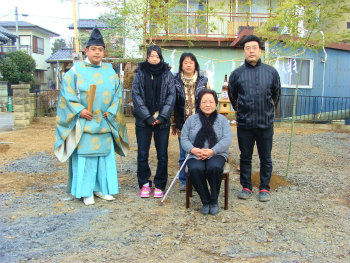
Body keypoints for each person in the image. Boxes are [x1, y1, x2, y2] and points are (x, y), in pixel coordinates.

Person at [54, 27, 129, 205]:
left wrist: (111, 111)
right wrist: (79, 110)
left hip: (104, 121)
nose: (97, 52)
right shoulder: (75, 71)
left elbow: (117, 95)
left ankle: (103, 189)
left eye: (100, 49)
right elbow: (67, 95)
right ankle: (85, 191)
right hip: (84, 122)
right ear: (86, 51)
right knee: (85, 157)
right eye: (94, 49)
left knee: (104, 158)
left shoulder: (110, 71)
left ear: (104, 52)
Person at [228, 34, 281, 202]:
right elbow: (232, 96)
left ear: (260, 50)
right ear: (244, 52)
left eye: (254, 48)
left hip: (265, 123)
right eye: (247, 48)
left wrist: (267, 112)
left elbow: (276, 95)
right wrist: (241, 111)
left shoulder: (271, 72)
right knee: (245, 156)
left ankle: (264, 187)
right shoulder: (237, 74)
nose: (251, 51)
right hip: (245, 123)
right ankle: (246, 186)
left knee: (266, 157)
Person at [132, 45, 176, 198]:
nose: (154, 59)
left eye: (157, 56)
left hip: (162, 121)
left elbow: (171, 96)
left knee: (162, 154)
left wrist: (162, 117)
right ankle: (144, 183)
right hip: (143, 121)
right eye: (151, 56)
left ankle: (160, 184)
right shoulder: (140, 73)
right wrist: (148, 117)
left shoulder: (167, 74)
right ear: (147, 57)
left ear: (160, 57)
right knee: (143, 153)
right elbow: (136, 95)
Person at [181, 89, 232, 215]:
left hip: (217, 153)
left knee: (214, 167)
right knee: (195, 169)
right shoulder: (191, 120)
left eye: (211, 102)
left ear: (216, 104)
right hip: (195, 153)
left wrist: (212, 151)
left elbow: (227, 139)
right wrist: (193, 150)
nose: (207, 105)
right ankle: (205, 200)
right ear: (199, 104)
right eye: (204, 102)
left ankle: (214, 200)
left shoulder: (222, 120)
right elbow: (184, 138)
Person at [172, 52, 209, 191]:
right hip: (183, 124)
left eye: (191, 62)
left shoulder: (203, 81)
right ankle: (183, 181)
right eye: (185, 62)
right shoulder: (175, 81)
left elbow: (208, 102)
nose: (188, 65)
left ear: (195, 65)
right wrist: (173, 123)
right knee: (183, 154)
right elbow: (173, 104)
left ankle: (198, 180)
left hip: (200, 124)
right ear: (181, 65)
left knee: (199, 152)